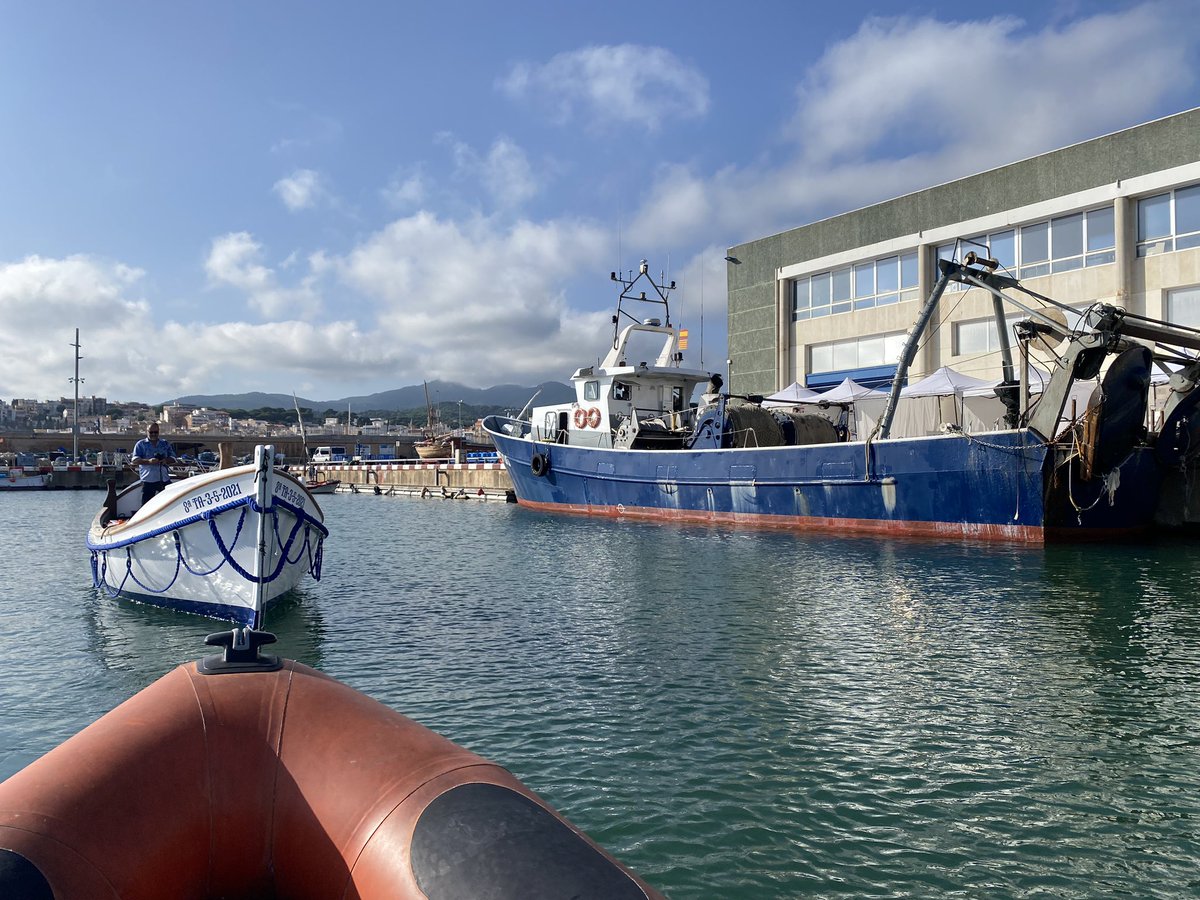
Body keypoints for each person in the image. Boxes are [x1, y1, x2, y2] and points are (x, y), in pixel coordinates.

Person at [131, 423, 176, 505]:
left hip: (164, 479)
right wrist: (149, 462)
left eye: (156, 432)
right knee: (146, 505)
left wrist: (165, 460)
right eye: (151, 432)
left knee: (170, 503)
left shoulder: (165, 443)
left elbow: (173, 458)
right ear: (147, 431)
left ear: (159, 432)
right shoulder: (141, 444)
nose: (153, 434)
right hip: (148, 480)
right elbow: (135, 460)